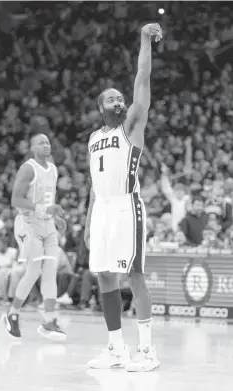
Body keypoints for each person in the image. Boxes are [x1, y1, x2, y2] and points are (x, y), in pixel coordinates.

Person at [84, 24, 162, 372]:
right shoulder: (92, 138)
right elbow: (93, 184)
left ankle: (147, 352)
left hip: (127, 206)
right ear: (101, 107)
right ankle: (116, 349)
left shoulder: (131, 125)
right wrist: (88, 221)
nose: (119, 100)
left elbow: (142, 79)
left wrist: (145, 39)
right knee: (103, 274)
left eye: (121, 97)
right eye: (112, 98)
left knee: (135, 274)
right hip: (101, 208)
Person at [2, 133, 67, 341]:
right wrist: (44, 209)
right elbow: (15, 200)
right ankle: (12, 314)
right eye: (41, 143)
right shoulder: (28, 168)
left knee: (50, 273)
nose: (46, 145)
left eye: (48, 142)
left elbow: (50, 199)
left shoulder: (54, 169)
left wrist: (55, 218)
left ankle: (49, 322)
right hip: (28, 223)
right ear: (32, 148)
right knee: (33, 272)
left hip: (47, 225)